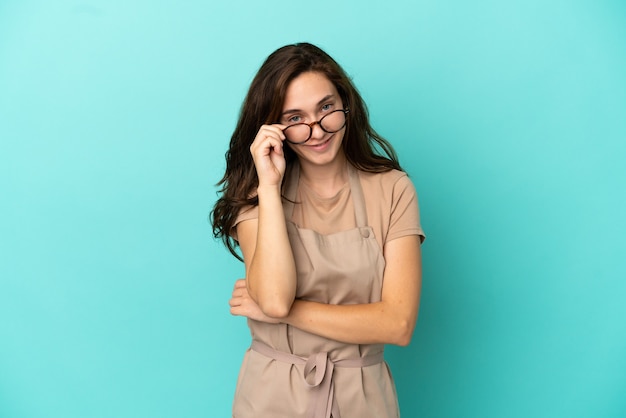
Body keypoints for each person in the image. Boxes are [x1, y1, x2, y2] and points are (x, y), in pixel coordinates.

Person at [211, 42, 425, 418]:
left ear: (346, 103)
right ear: (274, 128)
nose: (316, 130)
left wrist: (289, 314)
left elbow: (398, 323)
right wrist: (271, 189)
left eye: (326, 108)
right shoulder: (255, 193)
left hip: (363, 399)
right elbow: (274, 298)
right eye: (295, 118)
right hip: (271, 398)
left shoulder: (393, 188)